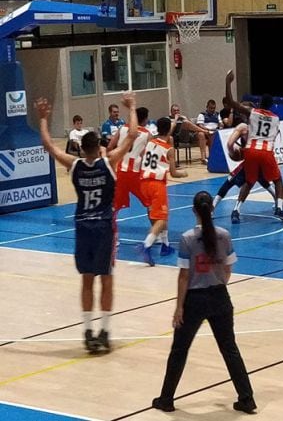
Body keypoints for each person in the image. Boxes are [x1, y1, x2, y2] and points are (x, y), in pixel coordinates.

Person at [36, 92, 138, 353]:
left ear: (83, 148)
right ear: (99, 147)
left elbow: (48, 145)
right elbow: (132, 135)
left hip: (82, 227)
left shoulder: (75, 165)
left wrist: (44, 118)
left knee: (87, 279)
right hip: (104, 227)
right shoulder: (109, 162)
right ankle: (104, 330)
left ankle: (86, 330)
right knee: (107, 278)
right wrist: (132, 106)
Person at [152, 191, 257, 415]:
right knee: (230, 349)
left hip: (195, 299)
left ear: (193, 211)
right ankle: (247, 399)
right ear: (212, 209)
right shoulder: (224, 235)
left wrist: (179, 307)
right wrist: (219, 283)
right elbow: (228, 269)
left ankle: (166, 399)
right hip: (220, 296)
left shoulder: (188, 238)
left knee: (179, 349)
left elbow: (183, 276)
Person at [224, 71, 283, 223]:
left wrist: (228, 82)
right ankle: (279, 207)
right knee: (278, 180)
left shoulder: (252, 112)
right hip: (266, 151)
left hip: (250, 151)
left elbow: (231, 102)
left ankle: (236, 210)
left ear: (259, 103)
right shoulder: (276, 118)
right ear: (271, 105)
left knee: (249, 181)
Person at [138, 117, 188, 266]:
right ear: (169, 131)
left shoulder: (150, 142)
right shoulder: (169, 149)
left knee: (156, 215)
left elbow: (142, 155)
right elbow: (173, 173)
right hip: (156, 184)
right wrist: (183, 173)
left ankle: (165, 245)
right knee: (162, 217)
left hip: (143, 182)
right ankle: (146, 245)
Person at [211, 121, 278, 214]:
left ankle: (215, 208)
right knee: (261, 178)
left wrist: (235, 153)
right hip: (266, 157)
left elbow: (230, 144)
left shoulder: (244, 128)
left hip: (253, 158)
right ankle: (278, 201)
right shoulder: (263, 127)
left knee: (230, 182)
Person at [109, 107, 153, 246]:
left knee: (113, 207)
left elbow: (110, 147)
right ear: (145, 119)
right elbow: (148, 155)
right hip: (136, 174)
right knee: (150, 203)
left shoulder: (122, 128)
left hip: (121, 172)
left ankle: (113, 237)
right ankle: (157, 234)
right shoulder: (147, 134)